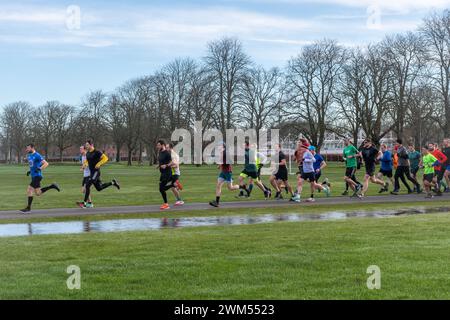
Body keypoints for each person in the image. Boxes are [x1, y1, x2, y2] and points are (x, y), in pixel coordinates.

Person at [79, 140, 120, 209]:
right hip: (92, 173)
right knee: (99, 188)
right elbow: (87, 161)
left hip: (96, 172)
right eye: (86, 145)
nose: (86, 146)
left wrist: (99, 163)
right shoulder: (88, 153)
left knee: (88, 185)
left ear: (91, 145)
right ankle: (113, 182)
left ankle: (85, 203)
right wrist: (84, 165)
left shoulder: (97, 152)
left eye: (87, 145)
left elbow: (105, 158)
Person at [20, 144, 60, 213]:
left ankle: (28, 208)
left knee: (29, 189)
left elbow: (46, 163)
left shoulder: (37, 155)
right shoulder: (29, 156)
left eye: (28, 148)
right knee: (38, 193)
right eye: (27, 148)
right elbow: (33, 166)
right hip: (33, 176)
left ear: (32, 148)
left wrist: (40, 168)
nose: (27, 149)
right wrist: (29, 171)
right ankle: (52, 186)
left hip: (37, 176)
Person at [209, 143, 248, 207]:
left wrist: (222, 164)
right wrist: (220, 165)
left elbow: (230, 161)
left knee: (230, 188)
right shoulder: (221, 153)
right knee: (218, 186)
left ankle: (242, 187)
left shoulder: (226, 153)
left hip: (228, 172)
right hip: (222, 172)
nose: (218, 147)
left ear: (223, 147)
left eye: (219, 146)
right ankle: (217, 202)